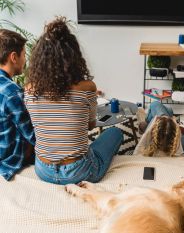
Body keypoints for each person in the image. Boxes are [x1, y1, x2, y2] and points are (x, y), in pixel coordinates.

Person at [24, 17, 123, 185]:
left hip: (43, 170)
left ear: (39, 60)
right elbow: (90, 126)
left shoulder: (29, 89)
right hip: (79, 172)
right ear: (73, 57)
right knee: (115, 133)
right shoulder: (87, 87)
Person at [0, 29, 35, 181]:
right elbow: (33, 137)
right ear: (14, 57)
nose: (25, 61)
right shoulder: (12, 92)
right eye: (24, 55)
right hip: (7, 157)